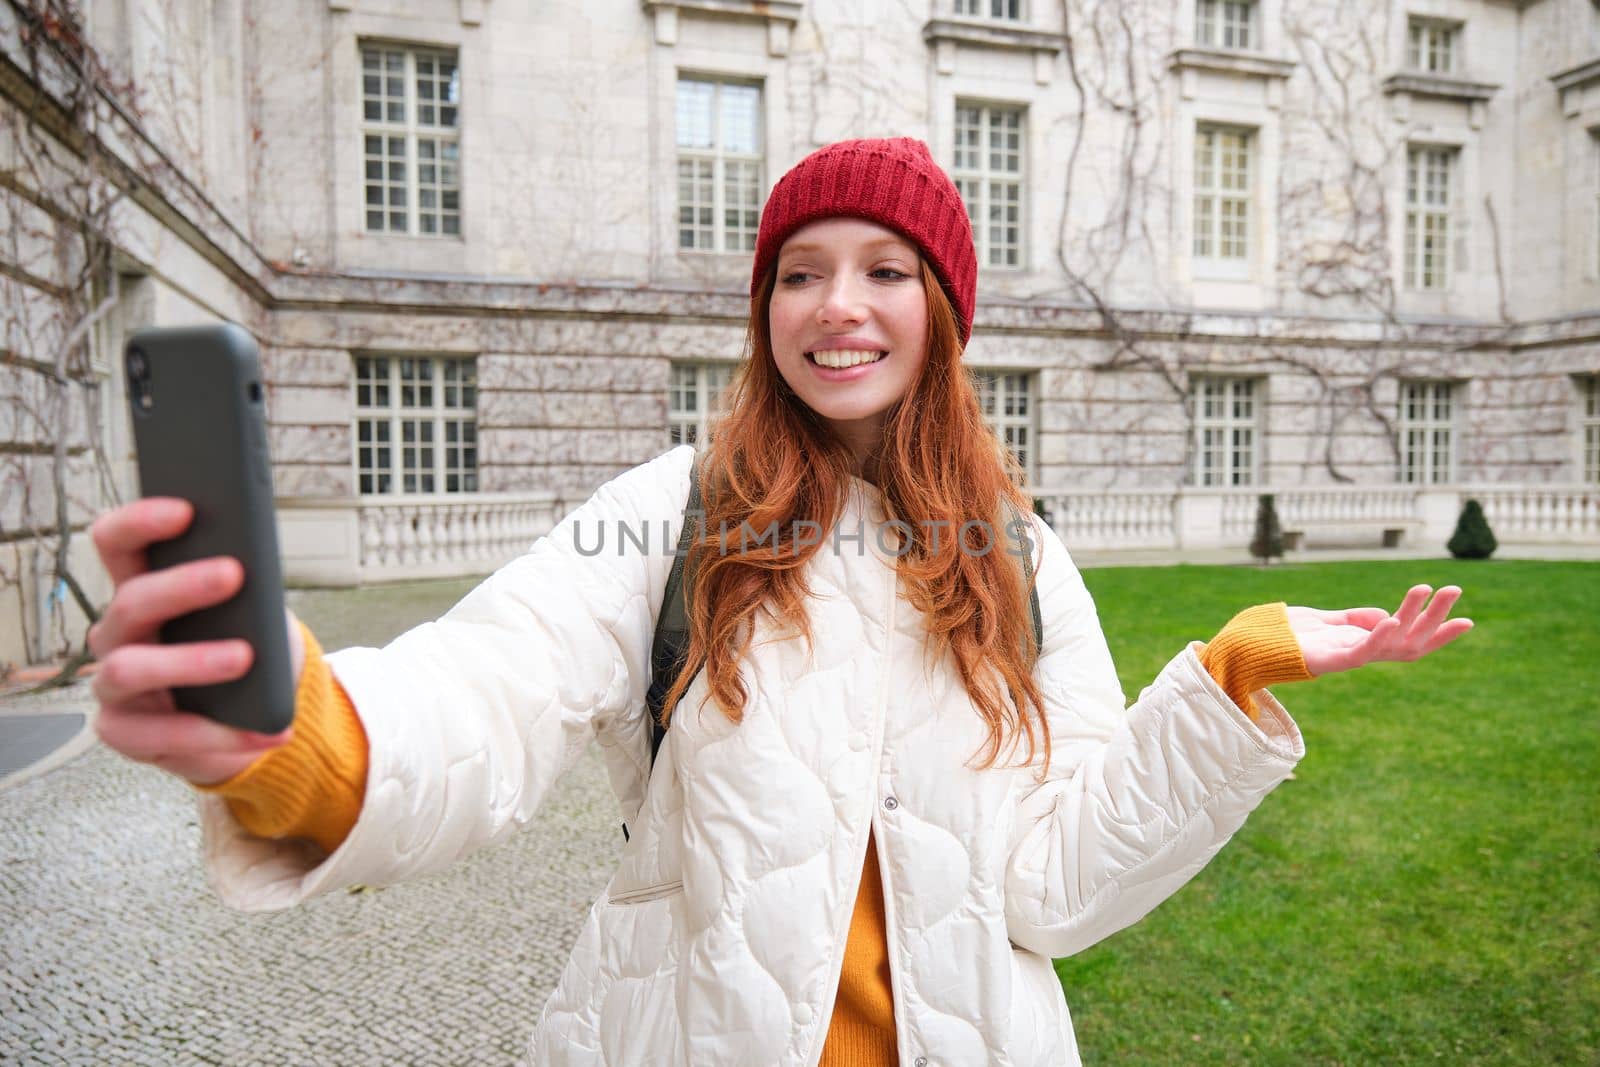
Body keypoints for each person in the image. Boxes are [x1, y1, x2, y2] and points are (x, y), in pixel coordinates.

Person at [86, 138, 1471, 1066]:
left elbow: (1055, 886)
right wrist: (299, 739)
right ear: (764, 313)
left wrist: (1226, 683)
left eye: (882, 271)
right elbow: (486, 692)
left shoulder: (1021, 558)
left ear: (942, 306)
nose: (836, 307)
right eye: (800, 274)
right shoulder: (675, 510)